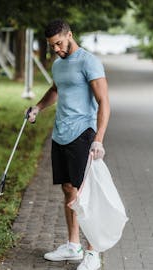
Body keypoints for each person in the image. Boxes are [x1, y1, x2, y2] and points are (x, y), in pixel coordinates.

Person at [27, 19, 110, 270]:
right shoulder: (57, 64)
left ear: (70, 35)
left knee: (85, 193)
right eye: (53, 46)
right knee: (68, 189)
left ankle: (93, 251)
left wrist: (99, 139)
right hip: (61, 134)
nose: (57, 50)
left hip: (83, 134)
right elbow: (56, 89)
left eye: (60, 44)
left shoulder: (89, 62)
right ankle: (73, 246)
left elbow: (104, 101)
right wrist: (38, 108)